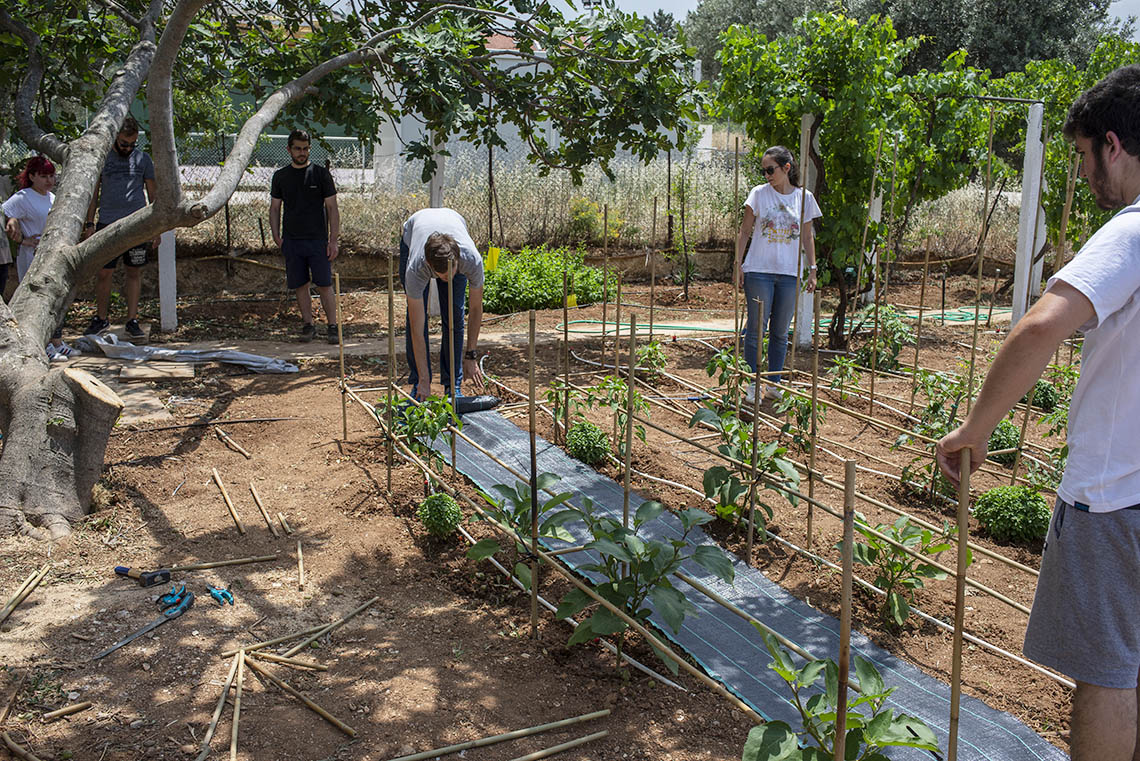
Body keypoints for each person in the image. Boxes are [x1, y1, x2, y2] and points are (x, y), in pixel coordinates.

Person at [937, 65, 1140, 761]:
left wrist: (976, 427)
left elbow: (1038, 328)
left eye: (1084, 154)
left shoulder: (1131, 231)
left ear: (1113, 144)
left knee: (1108, 669)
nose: (1084, 172)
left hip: (1118, 495)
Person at [734, 145, 821, 404]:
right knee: (756, 329)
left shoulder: (804, 198)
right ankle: (752, 383)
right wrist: (737, 264)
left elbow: (807, 236)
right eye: (763, 171)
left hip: (789, 274)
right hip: (758, 271)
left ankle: (774, 383)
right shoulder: (758, 195)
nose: (766, 175)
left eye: (770, 170)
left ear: (786, 168)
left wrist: (813, 269)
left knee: (781, 332)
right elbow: (744, 231)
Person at [83, 115, 158, 341]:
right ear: (115, 138)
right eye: (124, 143)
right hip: (107, 224)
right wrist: (89, 224)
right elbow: (92, 195)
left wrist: (156, 229)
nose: (128, 148)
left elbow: (153, 196)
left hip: (136, 225)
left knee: (133, 272)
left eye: (132, 144)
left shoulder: (143, 160)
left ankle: (132, 320)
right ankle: (101, 318)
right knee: (104, 272)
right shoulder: (103, 159)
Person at [399, 208, 486, 401]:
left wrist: (471, 354)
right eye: (442, 276)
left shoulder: (471, 260)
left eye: (451, 271)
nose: (448, 278)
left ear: (457, 260)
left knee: (455, 314)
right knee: (415, 321)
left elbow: (475, 309)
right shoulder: (416, 267)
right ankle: (419, 383)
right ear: (430, 265)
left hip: (453, 220)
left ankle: (452, 384)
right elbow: (417, 328)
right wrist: (424, 377)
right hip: (414, 230)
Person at [2, 155, 78, 359]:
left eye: (52, 176)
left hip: (51, 254)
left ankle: (56, 341)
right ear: (32, 176)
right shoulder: (23, 197)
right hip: (31, 256)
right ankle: (39, 345)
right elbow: (8, 217)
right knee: (35, 298)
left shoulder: (53, 198)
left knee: (55, 297)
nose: (49, 181)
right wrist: (21, 237)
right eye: (44, 176)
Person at [269, 129, 340, 343]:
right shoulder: (280, 176)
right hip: (292, 241)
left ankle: (333, 326)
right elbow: (274, 208)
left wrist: (333, 240)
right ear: (289, 149)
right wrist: (276, 236)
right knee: (300, 285)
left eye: (306, 148)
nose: (302, 152)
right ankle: (308, 325)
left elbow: (332, 208)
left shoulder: (320, 174)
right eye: (298, 148)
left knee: (324, 285)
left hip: (318, 241)